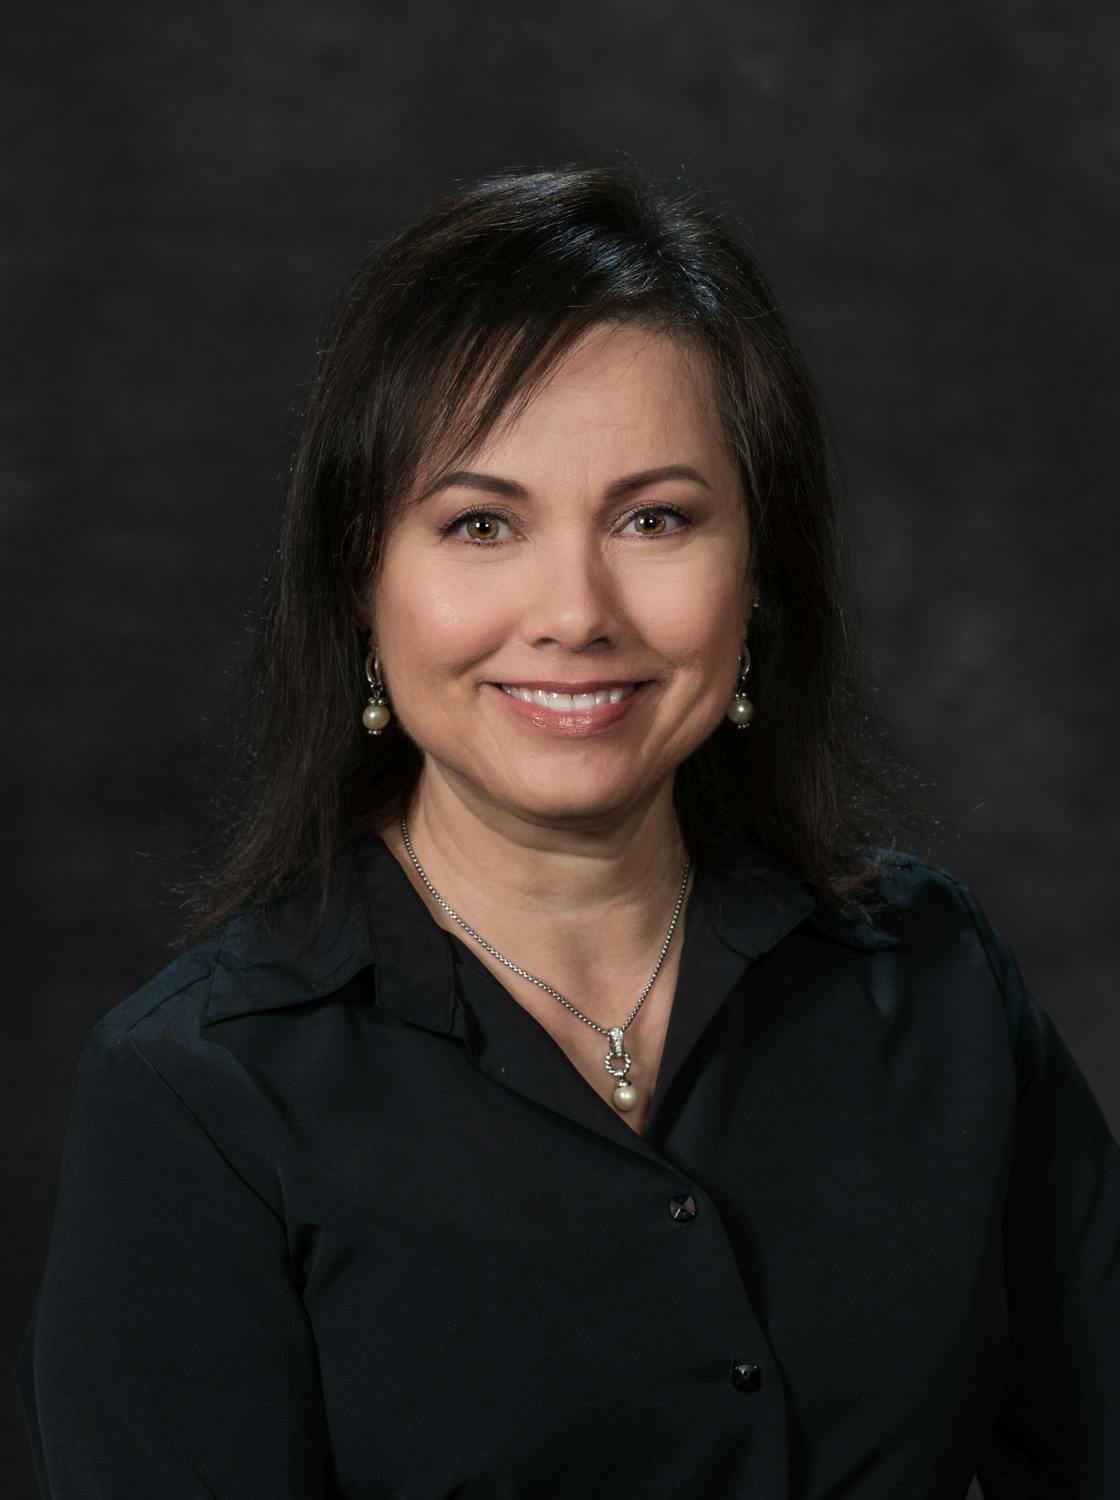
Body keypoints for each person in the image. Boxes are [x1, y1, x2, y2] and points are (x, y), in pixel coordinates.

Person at [13, 162, 1120, 1499]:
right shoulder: (202, 1098)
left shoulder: (935, 980)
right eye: (481, 524)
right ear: (363, 584)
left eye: (656, 519)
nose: (576, 610)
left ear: (758, 575)